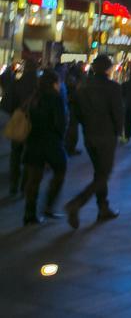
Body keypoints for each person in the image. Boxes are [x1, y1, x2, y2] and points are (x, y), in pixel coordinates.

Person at [64, 55, 123, 228]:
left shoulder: (83, 86)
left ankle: (103, 208)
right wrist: (119, 132)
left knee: (99, 172)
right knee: (104, 173)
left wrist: (86, 125)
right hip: (106, 135)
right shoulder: (112, 87)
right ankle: (77, 203)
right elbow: (118, 112)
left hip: (89, 135)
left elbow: (77, 112)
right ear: (107, 69)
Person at [22, 69, 67, 225]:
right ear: (55, 83)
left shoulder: (34, 96)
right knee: (60, 171)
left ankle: (29, 213)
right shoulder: (56, 98)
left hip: (33, 142)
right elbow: (61, 123)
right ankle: (48, 206)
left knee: (33, 179)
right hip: (51, 143)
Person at [2, 58, 37, 195]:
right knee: (30, 157)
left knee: (15, 155)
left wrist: (16, 113)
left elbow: (6, 104)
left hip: (18, 123)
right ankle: (25, 186)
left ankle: (13, 185)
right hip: (35, 126)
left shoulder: (17, 84)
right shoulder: (40, 86)